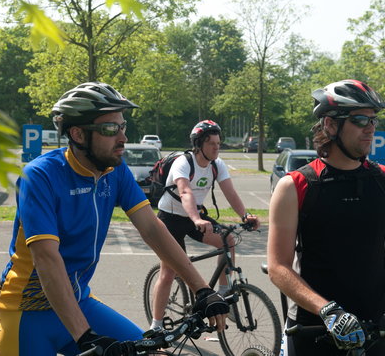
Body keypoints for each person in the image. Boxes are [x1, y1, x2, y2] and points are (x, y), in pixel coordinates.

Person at [0, 82, 231, 356]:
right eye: (110, 129)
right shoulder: (40, 176)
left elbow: (152, 228)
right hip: (27, 313)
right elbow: (47, 258)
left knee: (151, 353)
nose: (122, 138)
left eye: (122, 126)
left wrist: (202, 289)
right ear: (78, 134)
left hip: (79, 302)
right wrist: (84, 337)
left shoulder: (114, 171)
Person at [267, 79, 385, 356]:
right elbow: (278, 268)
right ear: (330, 125)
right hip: (314, 329)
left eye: (373, 120)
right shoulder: (295, 185)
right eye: (359, 119)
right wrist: (328, 311)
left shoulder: (381, 180)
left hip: (374, 327)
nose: (370, 128)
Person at [150, 120, 260, 330]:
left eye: (219, 143)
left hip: (195, 216)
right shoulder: (183, 162)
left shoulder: (217, 165)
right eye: (211, 143)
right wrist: (197, 220)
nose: (217, 147)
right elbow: (185, 192)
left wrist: (245, 215)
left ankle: (224, 290)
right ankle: (155, 326)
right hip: (171, 218)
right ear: (199, 145)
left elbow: (230, 193)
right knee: (169, 271)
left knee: (227, 240)